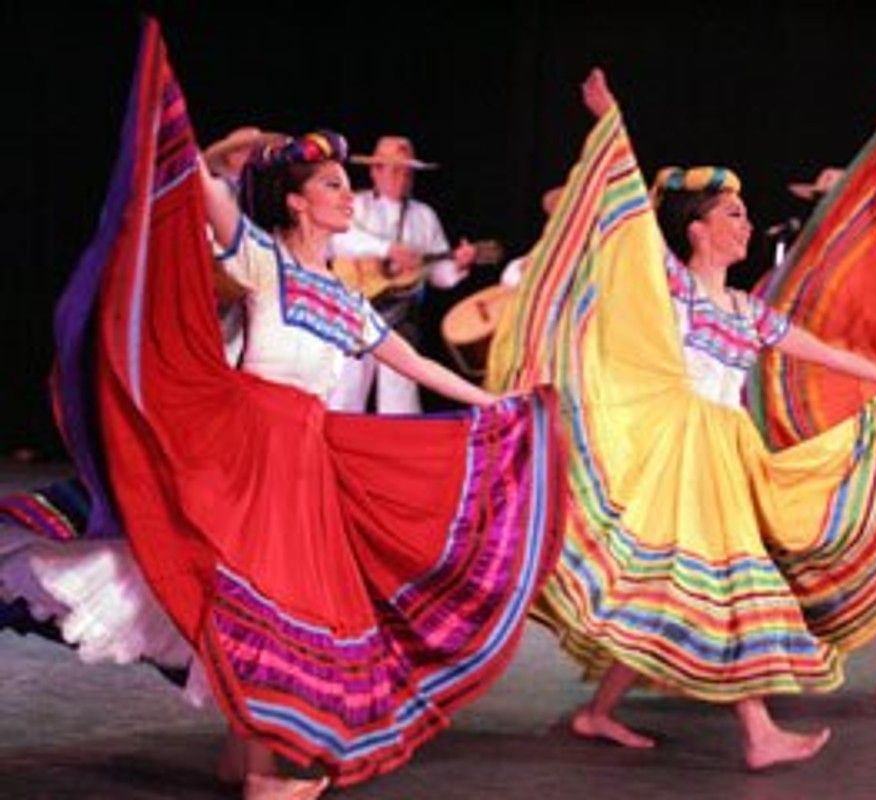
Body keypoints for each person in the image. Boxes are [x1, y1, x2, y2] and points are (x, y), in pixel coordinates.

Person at [50, 21, 565, 799]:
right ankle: (262, 779)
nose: (343, 192)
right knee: (263, 592)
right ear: (296, 203)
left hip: (304, 451)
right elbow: (196, 185)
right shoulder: (261, 257)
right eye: (329, 185)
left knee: (274, 599)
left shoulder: (346, 300)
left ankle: (243, 753)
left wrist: (495, 401)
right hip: (250, 440)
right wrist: (226, 148)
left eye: (343, 186)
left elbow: (416, 360)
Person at [488, 69, 876, 769]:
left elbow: (818, 350)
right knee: (736, 582)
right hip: (677, 446)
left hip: (723, 449)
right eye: (733, 214)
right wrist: (610, 122)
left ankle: (597, 712)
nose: (745, 223)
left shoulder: (746, 311)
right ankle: (759, 732)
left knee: (670, 586)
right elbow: (624, 215)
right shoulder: (670, 286)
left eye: (742, 213)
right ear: (699, 227)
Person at [328, 135, 477, 413]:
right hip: (354, 311)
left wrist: (458, 263)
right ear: (375, 171)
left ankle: (396, 453)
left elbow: (437, 275)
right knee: (345, 392)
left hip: (400, 318)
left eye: (407, 172)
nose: (402, 178)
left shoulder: (424, 216)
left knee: (400, 398)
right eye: (395, 170)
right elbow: (336, 240)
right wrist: (386, 249)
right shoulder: (355, 205)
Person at [203, 126, 287, 367]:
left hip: (251, 282)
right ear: (232, 156)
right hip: (220, 279)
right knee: (219, 350)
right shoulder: (217, 189)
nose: (257, 157)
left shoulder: (260, 195)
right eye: (249, 151)